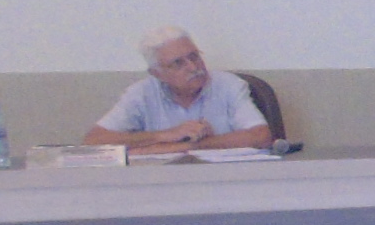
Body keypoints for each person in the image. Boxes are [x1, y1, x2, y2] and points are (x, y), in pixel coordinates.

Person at [83, 27, 274, 149]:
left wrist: (182, 147)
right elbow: (94, 141)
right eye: (178, 63)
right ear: (157, 74)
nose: (193, 67)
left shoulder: (229, 86)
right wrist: (165, 135)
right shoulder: (140, 94)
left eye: (194, 56)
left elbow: (260, 136)